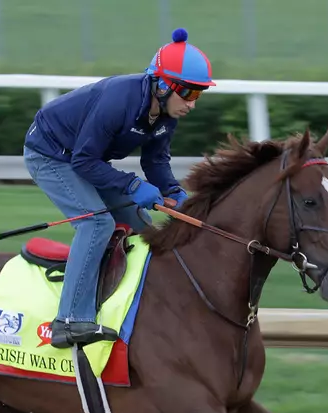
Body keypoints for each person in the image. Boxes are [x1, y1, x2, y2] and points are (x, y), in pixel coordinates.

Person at [22, 28, 215, 349]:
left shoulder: (167, 115)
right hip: (50, 154)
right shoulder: (119, 101)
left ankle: (133, 307)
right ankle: (68, 321)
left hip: (83, 157)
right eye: (191, 94)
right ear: (165, 85)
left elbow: (155, 162)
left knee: (140, 225)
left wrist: (175, 193)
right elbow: (84, 162)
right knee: (96, 222)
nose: (193, 105)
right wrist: (131, 184)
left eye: (200, 95)